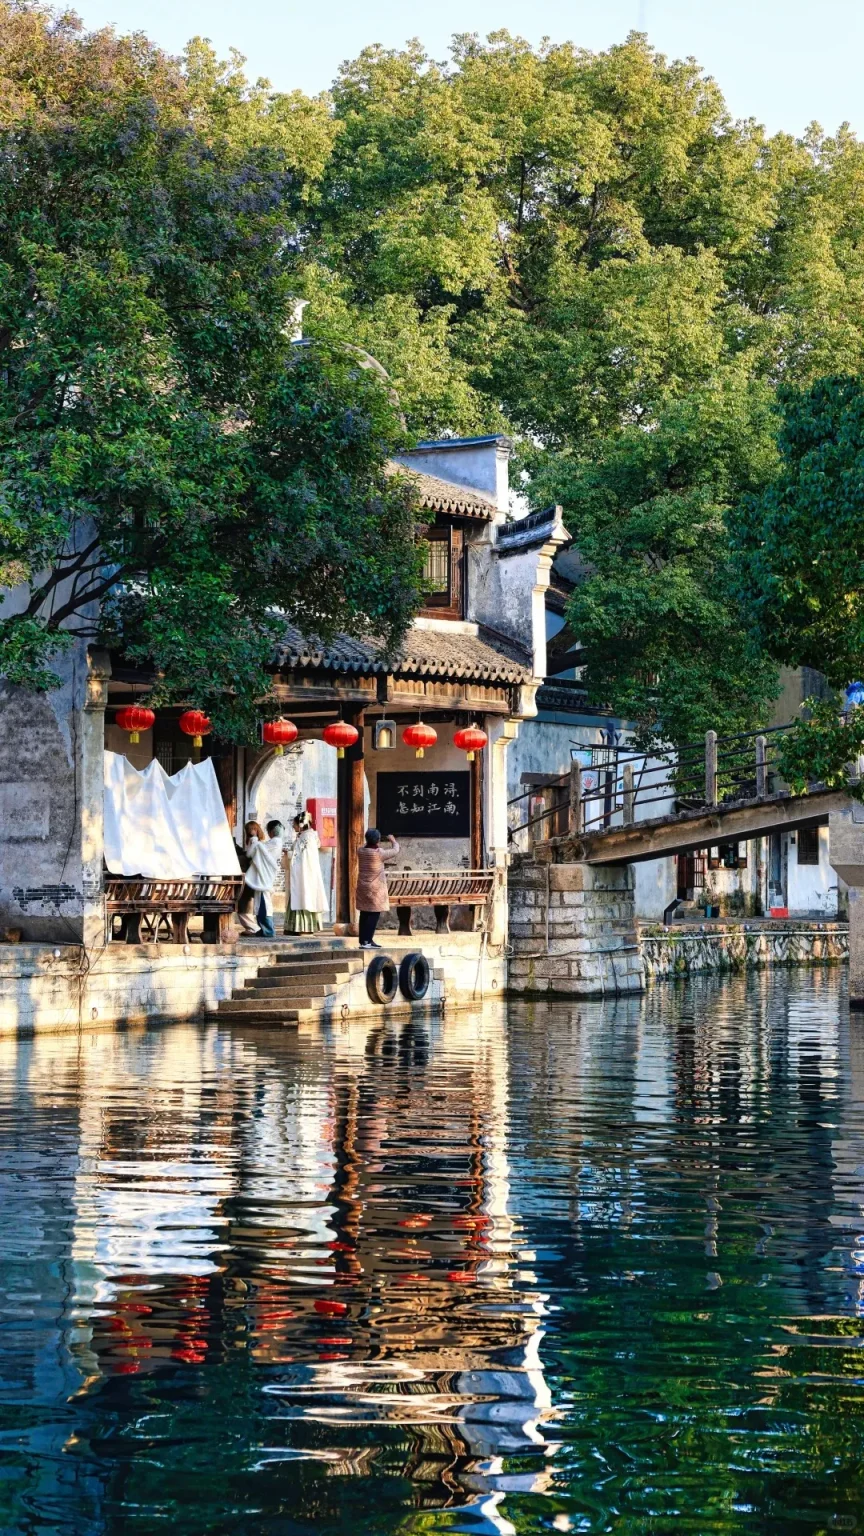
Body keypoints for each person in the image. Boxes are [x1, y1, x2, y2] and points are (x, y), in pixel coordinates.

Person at [354, 828, 400, 949]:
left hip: (363, 887)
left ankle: (364, 941)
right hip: (375, 889)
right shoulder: (380, 853)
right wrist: (392, 840)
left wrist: (369, 840)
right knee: (373, 915)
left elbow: (365, 845)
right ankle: (367, 941)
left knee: (364, 913)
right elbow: (395, 850)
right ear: (378, 840)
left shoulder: (361, 851)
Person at [285, 810, 328, 934]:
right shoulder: (310, 835)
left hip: (304, 872)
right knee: (303, 896)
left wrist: (288, 854)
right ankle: (296, 927)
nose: (293, 827)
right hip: (307, 872)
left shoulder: (306, 837)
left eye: (294, 825)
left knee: (303, 896)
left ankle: (303, 927)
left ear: (300, 825)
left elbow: (299, 856)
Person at [238, 819, 283, 938]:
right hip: (260, 877)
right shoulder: (268, 843)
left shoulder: (273, 843)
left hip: (263, 877)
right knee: (260, 905)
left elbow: (251, 853)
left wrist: (254, 839)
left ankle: (268, 930)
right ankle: (263, 929)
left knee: (264, 905)